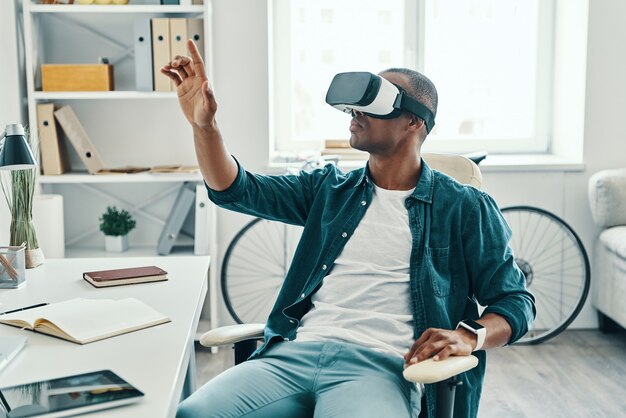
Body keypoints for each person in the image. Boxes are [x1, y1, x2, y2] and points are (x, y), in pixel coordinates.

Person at [162, 40, 536, 418]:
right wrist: (204, 126)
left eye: (374, 102)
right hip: (293, 354)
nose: (356, 111)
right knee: (195, 413)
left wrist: (468, 336)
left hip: (380, 367)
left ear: (414, 121)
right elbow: (235, 190)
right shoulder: (329, 188)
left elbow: (516, 302)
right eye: (356, 104)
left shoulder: (464, 207)